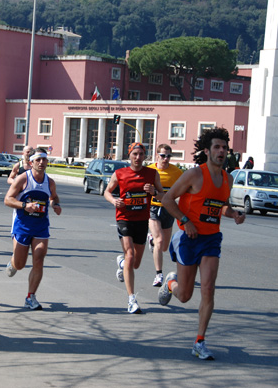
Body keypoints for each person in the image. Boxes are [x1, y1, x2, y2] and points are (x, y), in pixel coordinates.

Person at [159, 127, 246, 361]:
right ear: (207, 151)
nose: (221, 151)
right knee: (185, 295)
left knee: (208, 288)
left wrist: (234, 213)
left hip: (211, 239)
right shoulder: (195, 175)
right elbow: (167, 199)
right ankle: (170, 284)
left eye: (224, 148)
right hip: (189, 238)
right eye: (216, 147)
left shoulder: (227, 178)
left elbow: (221, 206)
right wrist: (185, 221)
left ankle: (199, 341)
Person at [104, 142, 164, 314]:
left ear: (145, 156)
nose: (138, 157)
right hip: (124, 219)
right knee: (130, 255)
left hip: (141, 221)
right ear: (129, 155)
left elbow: (163, 196)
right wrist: (114, 201)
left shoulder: (152, 174)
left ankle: (122, 263)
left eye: (141, 154)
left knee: (135, 264)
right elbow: (107, 192)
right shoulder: (120, 173)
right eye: (134, 154)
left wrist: (153, 192)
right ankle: (132, 300)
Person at [4, 148, 62, 310]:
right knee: (20, 264)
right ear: (31, 162)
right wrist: (25, 205)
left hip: (41, 227)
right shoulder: (23, 179)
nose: (42, 163)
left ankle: (31, 296)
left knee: (39, 256)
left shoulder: (49, 182)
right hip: (22, 226)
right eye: (38, 160)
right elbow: (7, 199)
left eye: (44, 160)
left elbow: (54, 197)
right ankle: (13, 263)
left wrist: (55, 204)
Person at [146, 144, 183, 287]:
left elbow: (184, 190)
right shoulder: (150, 170)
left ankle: (151, 240)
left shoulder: (177, 172)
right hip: (153, 208)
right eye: (162, 155)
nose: (165, 159)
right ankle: (159, 275)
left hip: (169, 209)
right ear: (157, 156)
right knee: (160, 240)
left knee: (164, 247)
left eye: (168, 156)